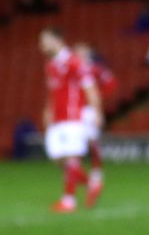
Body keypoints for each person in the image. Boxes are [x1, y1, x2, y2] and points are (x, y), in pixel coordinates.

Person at [39, 27, 102, 212]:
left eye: (44, 40)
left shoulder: (74, 62)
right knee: (58, 158)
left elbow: (89, 87)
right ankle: (91, 183)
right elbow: (53, 91)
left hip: (73, 118)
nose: (41, 45)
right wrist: (48, 110)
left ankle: (69, 200)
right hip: (57, 118)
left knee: (71, 159)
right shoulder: (50, 65)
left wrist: (97, 112)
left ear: (57, 40)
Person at [75, 42, 117, 205]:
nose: (78, 53)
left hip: (88, 110)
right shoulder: (74, 70)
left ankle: (96, 174)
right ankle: (85, 178)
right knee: (77, 146)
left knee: (92, 143)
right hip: (74, 110)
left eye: (81, 50)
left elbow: (111, 83)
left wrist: (97, 98)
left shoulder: (95, 69)